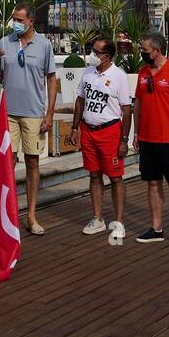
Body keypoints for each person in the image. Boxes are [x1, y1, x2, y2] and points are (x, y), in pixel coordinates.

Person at [0, 2, 58, 236]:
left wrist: (50, 113)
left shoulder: (44, 45)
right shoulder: (5, 42)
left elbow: (52, 79)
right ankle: (7, 213)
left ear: (31, 21)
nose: (14, 23)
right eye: (13, 19)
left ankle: (31, 215)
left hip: (34, 113)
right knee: (8, 162)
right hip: (9, 114)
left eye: (19, 20)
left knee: (32, 162)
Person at [132, 31, 169, 250]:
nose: (142, 53)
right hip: (147, 139)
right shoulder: (143, 73)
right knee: (152, 183)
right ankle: (156, 228)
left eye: (145, 50)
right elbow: (138, 103)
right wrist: (137, 134)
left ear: (157, 50)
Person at [70, 36, 131, 240]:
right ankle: (98, 218)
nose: (92, 55)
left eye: (96, 52)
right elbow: (80, 100)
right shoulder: (87, 73)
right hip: (88, 130)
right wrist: (74, 127)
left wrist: (124, 140)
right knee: (94, 175)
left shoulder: (119, 76)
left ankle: (119, 222)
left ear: (106, 56)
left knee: (115, 177)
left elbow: (127, 109)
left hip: (110, 131)